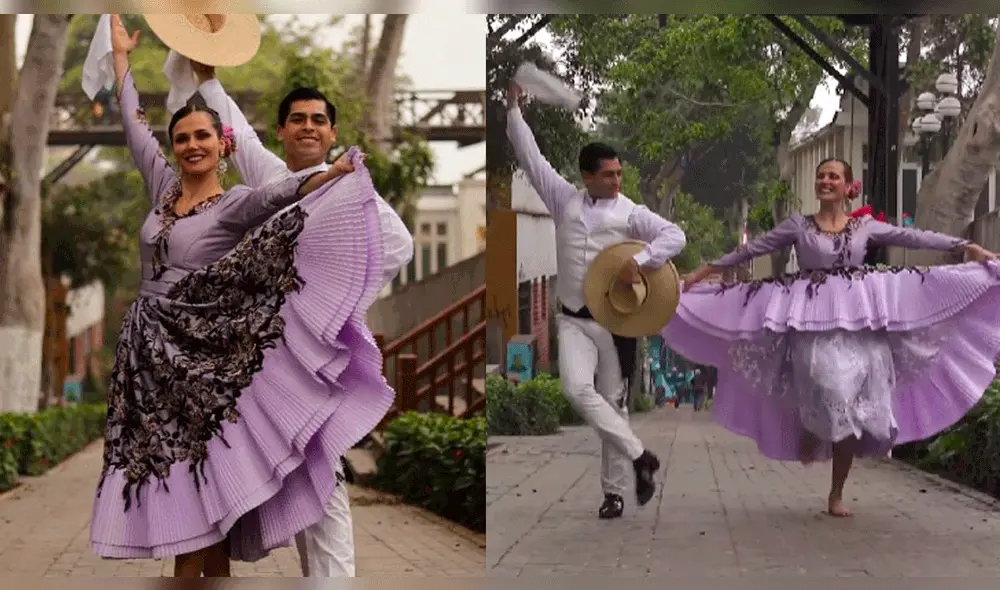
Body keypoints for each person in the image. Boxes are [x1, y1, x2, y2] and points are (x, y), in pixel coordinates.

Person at [88, 16, 395, 576]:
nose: (190, 145)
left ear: (222, 143)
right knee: (178, 488)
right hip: (147, 361)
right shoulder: (160, 186)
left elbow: (283, 190)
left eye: (203, 135)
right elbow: (134, 126)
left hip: (207, 362)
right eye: (182, 138)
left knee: (204, 494)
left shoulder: (235, 204)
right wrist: (120, 61)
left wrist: (333, 173)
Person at [168, 60, 413, 578]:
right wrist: (207, 77)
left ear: (332, 132)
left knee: (323, 484)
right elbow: (230, 118)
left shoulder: (353, 190)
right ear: (281, 131)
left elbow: (399, 246)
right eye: (297, 119)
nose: (307, 127)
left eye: (318, 120)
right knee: (285, 481)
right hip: (265, 364)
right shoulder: (276, 178)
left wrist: (330, 300)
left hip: (318, 361)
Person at [665, 156, 1000, 517]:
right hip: (812, 318)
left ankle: (836, 492)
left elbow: (915, 236)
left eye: (834, 176)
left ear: (847, 186)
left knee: (856, 406)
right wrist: (699, 275)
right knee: (828, 385)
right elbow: (751, 249)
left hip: (861, 320)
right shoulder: (798, 225)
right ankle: (813, 425)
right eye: (822, 176)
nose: (826, 181)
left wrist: (966, 247)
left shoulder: (866, 227)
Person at [506, 81, 686, 519]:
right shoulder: (562, 198)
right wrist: (513, 108)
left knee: (613, 404)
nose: (616, 180)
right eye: (608, 174)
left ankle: (615, 492)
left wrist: (641, 260)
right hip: (571, 319)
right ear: (586, 176)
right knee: (574, 389)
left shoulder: (631, 213)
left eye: (619, 173)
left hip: (616, 324)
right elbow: (530, 156)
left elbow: (674, 235)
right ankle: (641, 456)